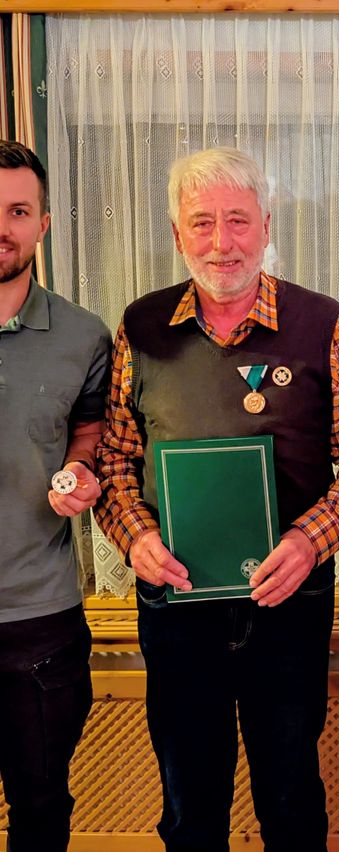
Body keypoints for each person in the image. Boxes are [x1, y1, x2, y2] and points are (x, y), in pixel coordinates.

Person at [94, 147, 339, 852]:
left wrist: (309, 540)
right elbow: (115, 461)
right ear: (176, 234)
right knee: (191, 801)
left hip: (288, 606)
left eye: (237, 221)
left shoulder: (323, 324)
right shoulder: (141, 327)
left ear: (265, 225)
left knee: (289, 798)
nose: (221, 243)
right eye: (202, 224)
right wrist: (135, 538)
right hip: (176, 607)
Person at [0, 140, 111, 851]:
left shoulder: (84, 336)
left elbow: (88, 433)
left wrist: (81, 473)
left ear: (44, 223)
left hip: (39, 627)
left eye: (18, 210)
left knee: (41, 809)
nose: (2, 226)